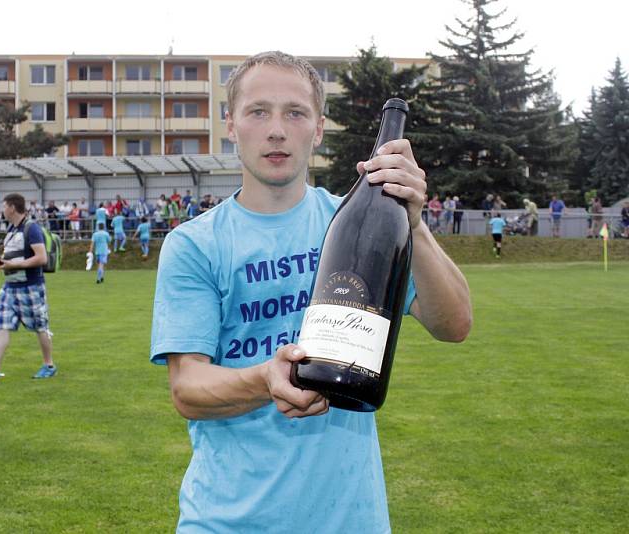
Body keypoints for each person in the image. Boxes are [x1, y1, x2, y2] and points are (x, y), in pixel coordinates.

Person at [149, 51, 472, 533]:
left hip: (350, 521)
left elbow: (453, 324)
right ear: (232, 125)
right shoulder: (195, 243)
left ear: (318, 128)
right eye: (258, 111)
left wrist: (414, 220)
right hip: (228, 521)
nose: (276, 129)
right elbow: (187, 389)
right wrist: (265, 378)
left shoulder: (358, 221)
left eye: (294, 112)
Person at [0, 193, 56, 384]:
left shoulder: (32, 228)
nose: (2, 210)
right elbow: (13, 256)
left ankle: (49, 365)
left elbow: (42, 258)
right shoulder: (11, 229)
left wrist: (13, 265)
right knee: (2, 326)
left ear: (12, 208)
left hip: (31, 287)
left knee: (41, 327)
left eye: (4, 206)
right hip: (9, 288)